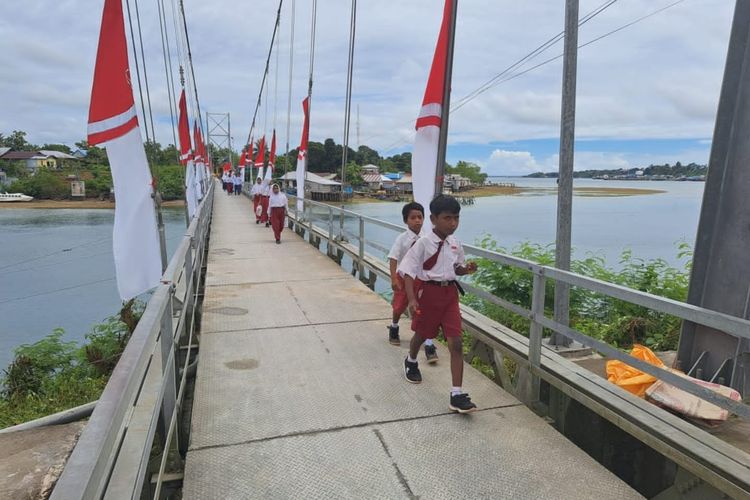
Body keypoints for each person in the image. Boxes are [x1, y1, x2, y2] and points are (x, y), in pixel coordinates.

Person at [398, 194, 478, 413]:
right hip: (429, 295)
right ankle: (411, 359)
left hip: (450, 295)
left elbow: (456, 268)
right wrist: (412, 299)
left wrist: (466, 269)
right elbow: (407, 271)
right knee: (422, 335)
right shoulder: (423, 243)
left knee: (457, 342)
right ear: (433, 219)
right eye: (447, 218)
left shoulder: (455, 244)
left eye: (456, 218)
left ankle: (457, 394)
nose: (453, 223)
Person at [387, 202, 438, 362]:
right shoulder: (402, 239)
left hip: (421, 279)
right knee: (399, 305)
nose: (417, 221)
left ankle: (429, 343)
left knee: (425, 309)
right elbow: (393, 257)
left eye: (420, 217)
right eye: (413, 218)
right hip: (404, 277)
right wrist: (394, 277)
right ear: (406, 220)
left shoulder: (427, 238)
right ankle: (394, 326)